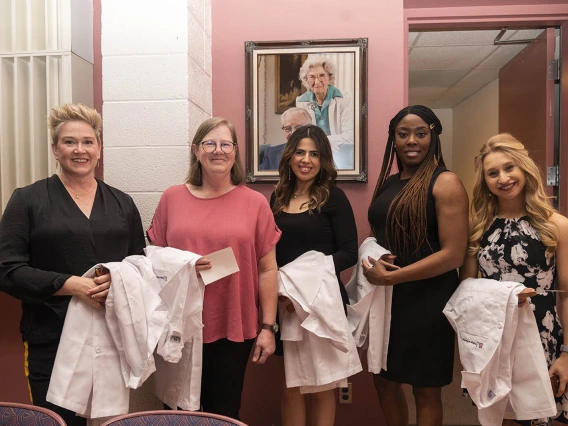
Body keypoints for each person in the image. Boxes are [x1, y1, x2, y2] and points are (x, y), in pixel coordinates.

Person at [0, 103, 146, 425]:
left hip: (111, 336)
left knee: (107, 421)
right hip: (51, 339)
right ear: (55, 148)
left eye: (88, 141)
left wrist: (119, 282)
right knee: (57, 420)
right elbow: (7, 270)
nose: (79, 150)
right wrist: (73, 286)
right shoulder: (28, 200)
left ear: (99, 148)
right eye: (69, 142)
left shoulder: (123, 203)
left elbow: (140, 264)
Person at [147, 117, 281, 420]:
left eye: (225, 144)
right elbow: (151, 258)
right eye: (209, 143)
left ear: (234, 152)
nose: (217, 150)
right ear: (196, 150)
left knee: (224, 412)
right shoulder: (172, 198)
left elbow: (268, 270)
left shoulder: (255, 203)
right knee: (177, 412)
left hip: (233, 325)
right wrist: (184, 265)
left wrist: (268, 327)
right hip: (178, 325)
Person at [363, 105, 469, 426]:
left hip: (429, 299)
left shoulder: (445, 182)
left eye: (421, 133)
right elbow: (380, 233)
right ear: (393, 140)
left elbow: (453, 255)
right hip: (387, 299)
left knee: (425, 390)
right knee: (383, 380)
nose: (412, 140)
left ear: (433, 136)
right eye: (403, 134)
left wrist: (393, 279)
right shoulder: (389, 183)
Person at [460, 133, 568, 424]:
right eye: (492, 173)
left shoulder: (556, 225)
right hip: (493, 337)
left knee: (539, 415)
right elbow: (465, 288)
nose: (503, 178)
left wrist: (567, 353)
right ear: (485, 182)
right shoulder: (478, 226)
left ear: (524, 169)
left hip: (542, 336)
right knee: (500, 417)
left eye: (509, 168)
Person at [270, 124, 358, 426]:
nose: (306, 159)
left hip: (323, 302)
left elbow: (349, 253)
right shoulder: (277, 199)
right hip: (285, 306)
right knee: (291, 387)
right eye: (300, 152)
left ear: (323, 160)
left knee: (323, 386)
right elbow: (270, 256)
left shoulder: (333, 198)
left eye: (314, 154)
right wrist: (283, 292)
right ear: (289, 156)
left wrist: (302, 290)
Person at [296, 55, 354, 169]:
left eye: (322, 75)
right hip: (313, 154)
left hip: (339, 153)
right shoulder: (301, 102)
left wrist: (322, 141)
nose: (317, 81)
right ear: (306, 80)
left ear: (329, 77)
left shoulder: (344, 98)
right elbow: (302, 137)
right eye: (312, 76)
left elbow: (350, 136)